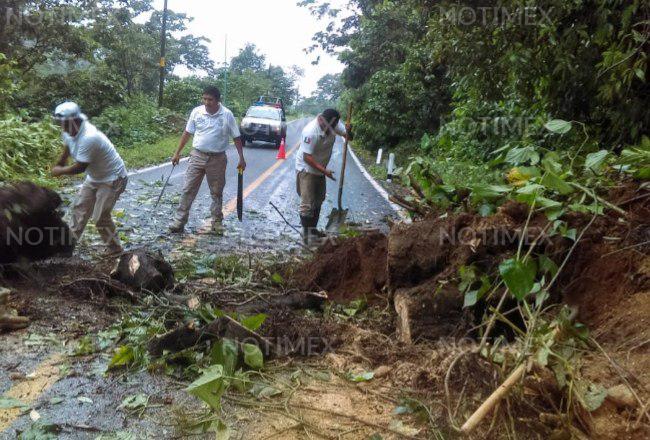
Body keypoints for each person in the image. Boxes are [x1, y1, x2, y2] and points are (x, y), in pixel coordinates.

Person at [51, 101, 128, 255]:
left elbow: (80, 167)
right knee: (79, 209)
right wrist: (60, 162)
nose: (62, 128)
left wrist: (60, 171)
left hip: (113, 177)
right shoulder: (69, 131)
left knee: (100, 217)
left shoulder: (89, 137)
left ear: (74, 121)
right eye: (61, 124)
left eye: (64, 124)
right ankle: (67, 247)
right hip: (94, 177)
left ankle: (115, 249)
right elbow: (68, 147)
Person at [169, 86, 246, 233]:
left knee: (216, 192)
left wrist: (241, 158)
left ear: (217, 100)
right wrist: (177, 153)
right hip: (197, 155)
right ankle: (179, 221)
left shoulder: (227, 115)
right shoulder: (196, 112)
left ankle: (216, 223)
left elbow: (236, 137)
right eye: (204, 99)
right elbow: (187, 133)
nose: (206, 102)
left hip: (217, 159)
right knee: (188, 189)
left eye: (210, 99)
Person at [295, 108, 351, 244]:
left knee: (319, 200)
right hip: (306, 169)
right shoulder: (310, 132)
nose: (328, 130)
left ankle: (313, 230)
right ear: (320, 119)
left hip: (320, 168)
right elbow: (307, 158)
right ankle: (306, 235)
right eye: (325, 126)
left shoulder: (334, 124)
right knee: (307, 203)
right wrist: (325, 172)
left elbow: (349, 136)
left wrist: (349, 131)